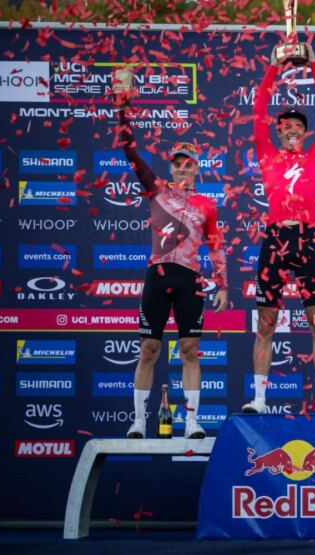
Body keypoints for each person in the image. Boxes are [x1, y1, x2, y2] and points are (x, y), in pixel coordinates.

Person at [113, 76, 229, 440]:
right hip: (158, 274)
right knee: (148, 349)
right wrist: (123, 111)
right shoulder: (156, 190)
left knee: (190, 350)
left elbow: (215, 244)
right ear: (171, 168)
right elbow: (130, 152)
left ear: (196, 169)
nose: (182, 168)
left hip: (190, 278)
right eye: (177, 164)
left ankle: (192, 422)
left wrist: (222, 284)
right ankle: (138, 422)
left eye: (188, 164)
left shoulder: (207, 204)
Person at [242, 43, 315, 415]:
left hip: (307, 239)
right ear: (279, 131)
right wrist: (272, 66)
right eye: (286, 125)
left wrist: (314, 65)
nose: (293, 129)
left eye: (299, 125)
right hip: (275, 239)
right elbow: (258, 111)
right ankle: (259, 399)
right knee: (266, 323)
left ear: (306, 132)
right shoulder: (267, 155)